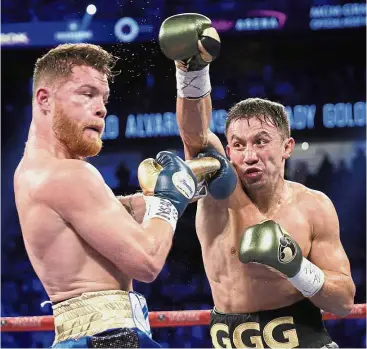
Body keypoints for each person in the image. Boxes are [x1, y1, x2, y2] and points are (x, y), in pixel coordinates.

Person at [159, 14, 356, 348]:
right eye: (238, 145)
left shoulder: (314, 206)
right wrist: (192, 71)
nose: (248, 155)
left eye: (261, 142)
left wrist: (297, 268)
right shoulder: (219, 189)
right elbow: (194, 134)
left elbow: (343, 302)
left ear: (286, 147)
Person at [13, 43, 199, 348]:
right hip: (106, 339)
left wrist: (185, 189)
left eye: (104, 98)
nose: (101, 108)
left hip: (89, 338)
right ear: (44, 100)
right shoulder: (68, 174)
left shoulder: (33, 171)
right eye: (87, 94)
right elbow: (147, 261)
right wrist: (168, 201)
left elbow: (110, 212)